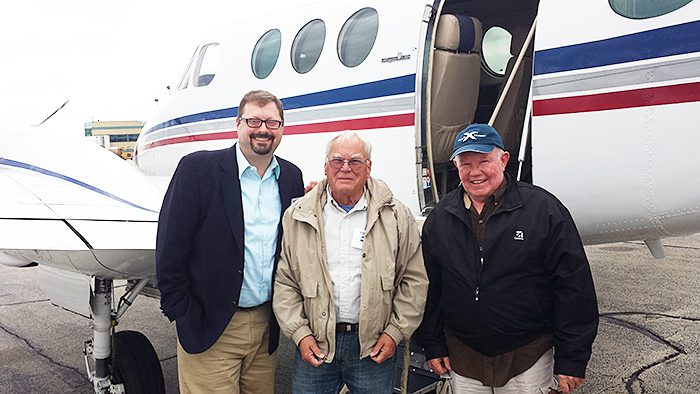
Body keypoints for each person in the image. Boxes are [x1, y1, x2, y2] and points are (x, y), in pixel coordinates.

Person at [415, 124, 599, 394]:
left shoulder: (543, 210)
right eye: (465, 164)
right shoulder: (441, 218)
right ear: (456, 166)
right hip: (464, 358)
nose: (475, 172)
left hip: (527, 356)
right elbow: (431, 288)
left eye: (484, 161)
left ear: (503, 160)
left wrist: (572, 359)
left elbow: (574, 287)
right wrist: (433, 344)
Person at [155, 90, 304, 393]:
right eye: (254, 121)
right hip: (212, 327)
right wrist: (183, 314)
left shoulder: (290, 176)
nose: (263, 130)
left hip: (265, 328)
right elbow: (170, 249)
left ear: (282, 129)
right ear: (237, 124)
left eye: (272, 123)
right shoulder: (198, 170)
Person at [273, 131, 428, 394]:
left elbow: (414, 280)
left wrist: (394, 333)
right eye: (337, 161)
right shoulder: (298, 215)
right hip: (316, 344)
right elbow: (285, 282)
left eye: (355, 161)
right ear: (325, 167)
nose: (345, 167)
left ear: (369, 168)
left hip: (373, 347)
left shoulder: (396, 216)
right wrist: (300, 333)